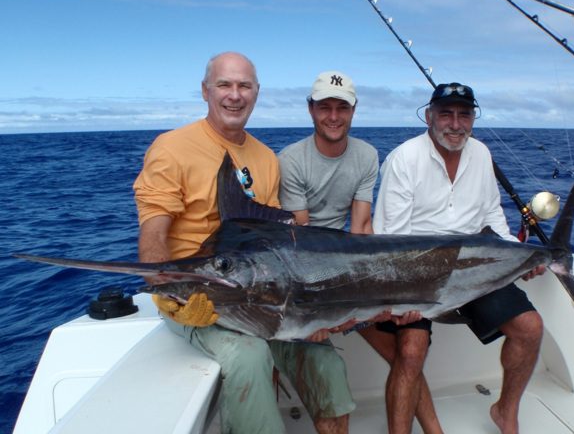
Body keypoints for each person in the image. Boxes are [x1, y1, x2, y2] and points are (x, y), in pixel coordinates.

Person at [133, 52, 355, 434]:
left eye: (244, 86)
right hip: (195, 300)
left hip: (261, 299)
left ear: (256, 93)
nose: (234, 95)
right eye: (225, 85)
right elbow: (153, 232)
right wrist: (170, 292)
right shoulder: (171, 148)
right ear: (206, 91)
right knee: (250, 355)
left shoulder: (265, 158)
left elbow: (273, 245)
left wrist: (315, 311)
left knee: (328, 364)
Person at [370, 82, 545, 434]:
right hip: (415, 274)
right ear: (429, 116)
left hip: (474, 268)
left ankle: (505, 413)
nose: (455, 123)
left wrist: (521, 256)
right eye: (446, 114)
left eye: (464, 114)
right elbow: (391, 241)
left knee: (530, 329)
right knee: (410, 351)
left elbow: (493, 219)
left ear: (473, 119)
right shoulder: (404, 158)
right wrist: (405, 299)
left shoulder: (480, 153)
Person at [278, 71, 380, 341]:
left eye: (342, 108)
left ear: (353, 110)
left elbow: (361, 227)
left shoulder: (368, 155)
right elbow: (301, 236)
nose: (334, 117)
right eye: (325, 107)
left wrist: (370, 289)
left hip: (345, 262)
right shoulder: (291, 160)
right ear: (311, 109)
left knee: (394, 333)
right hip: (301, 269)